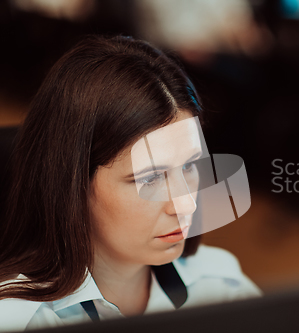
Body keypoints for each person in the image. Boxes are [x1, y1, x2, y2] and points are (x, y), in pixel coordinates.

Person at [0, 35, 261, 331]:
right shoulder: (19, 320)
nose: (187, 204)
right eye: (150, 178)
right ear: (73, 184)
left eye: (189, 165)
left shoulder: (219, 282)